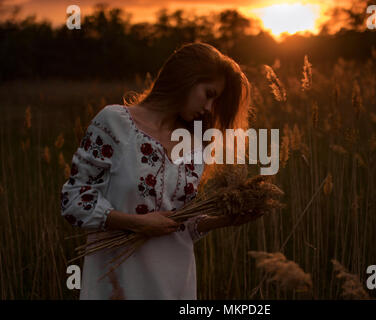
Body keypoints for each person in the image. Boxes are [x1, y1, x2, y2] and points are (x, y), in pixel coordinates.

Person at [60, 42, 262, 300]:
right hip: (118, 282)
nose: (210, 108)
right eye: (208, 93)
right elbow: (74, 200)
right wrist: (136, 223)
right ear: (185, 78)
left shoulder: (197, 144)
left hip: (176, 283)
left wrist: (228, 219)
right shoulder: (114, 123)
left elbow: (182, 223)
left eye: (217, 100)